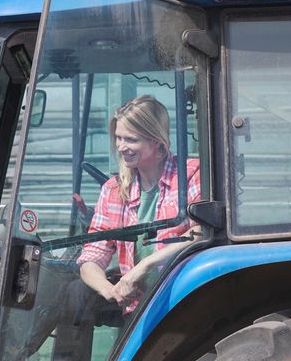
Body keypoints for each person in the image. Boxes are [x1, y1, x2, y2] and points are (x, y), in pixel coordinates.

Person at [77, 95, 203, 312]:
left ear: (157, 141)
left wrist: (144, 266)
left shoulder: (190, 174)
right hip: (138, 310)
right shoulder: (113, 190)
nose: (121, 147)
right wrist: (108, 289)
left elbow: (201, 232)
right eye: (118, 138)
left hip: (183, 301)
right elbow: (92, 255)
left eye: (131, 140)